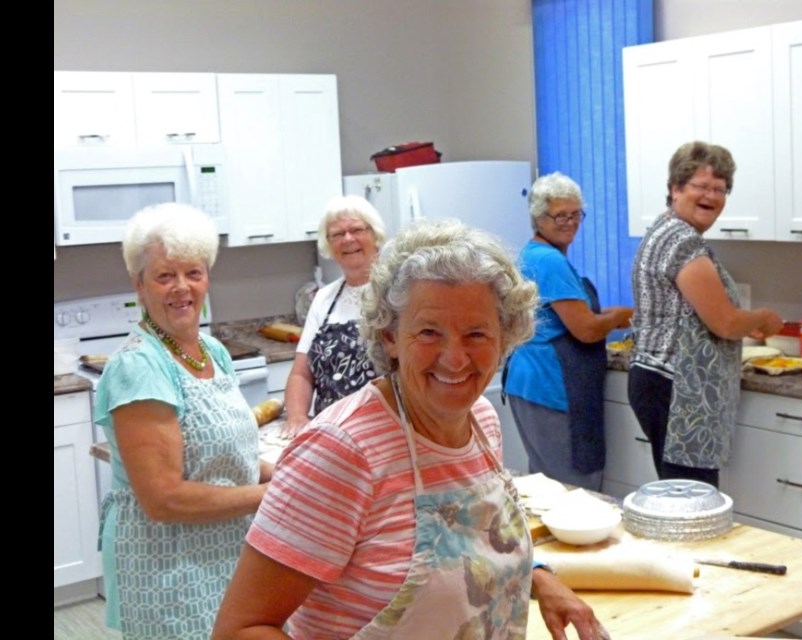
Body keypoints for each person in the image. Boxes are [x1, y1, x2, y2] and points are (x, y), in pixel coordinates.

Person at [213, 219, 607, 640]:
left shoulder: (482, 420)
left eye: (476, 333)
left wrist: (539, 578)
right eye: (429, 332)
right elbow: (241, 629)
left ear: (505, 336)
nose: (455, 359)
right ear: (389, 337)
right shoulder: (341, 451)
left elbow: (474, 543)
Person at [94, 203, 273, 638]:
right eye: (164, 276)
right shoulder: (139, 367)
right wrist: (269, 495)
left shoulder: (214, 352)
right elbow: (164, 499)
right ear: (139, 284)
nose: (182, 288)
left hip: (229, 550)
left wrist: (286, 473)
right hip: (171, 565)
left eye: (193, 273)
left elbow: (234, 456)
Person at [628, 141, 784, 488]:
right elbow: (725, 321)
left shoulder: (664, 230)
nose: (711, 196)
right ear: (675, 189)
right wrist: (762, 318)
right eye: (701, 186)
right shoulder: (682, 242)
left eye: (720, 188)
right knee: (693, 502)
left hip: (661, 382)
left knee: (681, 496)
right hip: (675, 387)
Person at [503, 172, 633, 491]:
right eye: (560, 215)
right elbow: (586, 329)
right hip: (552, 384)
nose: (570, 222)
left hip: (531, 380)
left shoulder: (534, 253)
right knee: (572, 491)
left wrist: (602, 317)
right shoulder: (549, 261)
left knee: (548, 485)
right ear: (538, 217)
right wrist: (618, 318)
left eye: (576, 214)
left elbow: (567, 316)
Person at [282, 195, 387, 437]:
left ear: (375, 235)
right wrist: (297, 417)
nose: (348, 239)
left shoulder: (394, 292)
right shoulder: (324, 298)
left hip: (382, 431)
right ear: (328, 244)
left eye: (357, 230)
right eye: (337, 234)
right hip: (330, 434)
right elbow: (301, 373)